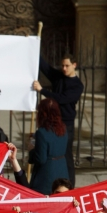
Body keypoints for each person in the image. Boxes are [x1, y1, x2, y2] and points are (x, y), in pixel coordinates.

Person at [33, 54, 84, 188]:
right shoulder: (59, 76)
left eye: (67, 65)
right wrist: (33, 46)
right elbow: (45, 67)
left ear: (74, 65)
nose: (64, 68)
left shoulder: (77, 86)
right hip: (53, 120)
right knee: (49, 152)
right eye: (62, 65)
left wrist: (42, 90)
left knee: (65, 155)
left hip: (66, 124)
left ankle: (70, 186)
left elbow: (61, 98)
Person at [28, 98, 69, 196]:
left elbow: (41, 158)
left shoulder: (41, 133)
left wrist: (31, 150)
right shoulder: (63, 129)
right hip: (62, 170)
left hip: (46, 176)